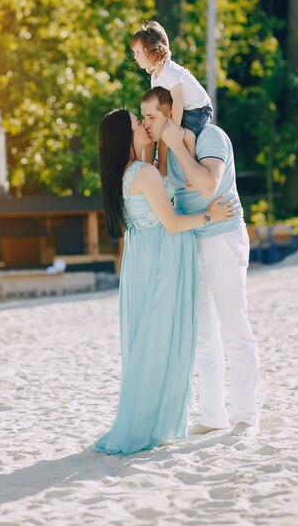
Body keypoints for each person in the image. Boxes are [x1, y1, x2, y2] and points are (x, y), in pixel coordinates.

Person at [94, 109, 237, 455]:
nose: (144, 124)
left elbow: (154, 179)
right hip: (161, 261)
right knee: (161, 342)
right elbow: (172, 222)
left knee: (147, 342)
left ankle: (148, 420)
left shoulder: (124, 175)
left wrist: (153, 150)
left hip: (140, 264)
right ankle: (150, 424)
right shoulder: (142, 173)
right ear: (125, 137)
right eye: (136, 123)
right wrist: (209, 215)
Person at [141, 87, 260, 437]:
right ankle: (213, 415)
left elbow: (208, 185)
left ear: (172, 116)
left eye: (152, 117)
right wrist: (158, 145)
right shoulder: (163, 150)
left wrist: (176, 144)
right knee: (204, 335)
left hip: (223, 238)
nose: (146, 123)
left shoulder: (212, 137)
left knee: (235, 328)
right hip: (191, 242)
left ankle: (247, 415)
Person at [131, 20, 213, 173]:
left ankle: (190, 172)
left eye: (138, 52)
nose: (135, 57)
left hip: (199, 109)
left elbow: (178, 100)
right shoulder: (155, 76)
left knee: (185, 136)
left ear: (151, 51)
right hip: (182, 108)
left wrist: (174, 126)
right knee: (162, 132)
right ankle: (161, 167)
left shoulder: (170, 71)